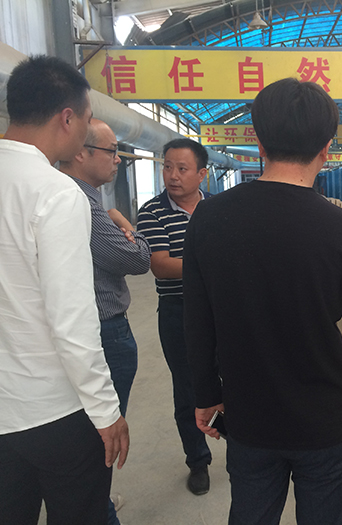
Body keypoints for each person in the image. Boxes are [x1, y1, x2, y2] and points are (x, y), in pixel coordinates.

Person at [183, 77, 342, 525]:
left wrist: (205, 394)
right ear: (326, 147)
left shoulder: (209, 218)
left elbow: (197, 319)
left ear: (259, 142)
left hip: (250, 415)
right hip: (324, 419)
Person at [0, 56, 129, 525]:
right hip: (54, 411)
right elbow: (71, 320)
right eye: (89, 119)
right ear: (67, 118)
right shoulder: (56, 192)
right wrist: (106, 410)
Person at [60, 119, 151, 524]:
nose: (117, 160)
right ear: (81, 152)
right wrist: (127, 225)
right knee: (103, 435)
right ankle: (98, 509)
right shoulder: (84, 205)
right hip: (105, 332)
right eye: (112, 151)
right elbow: (138, 259)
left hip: (90, 330)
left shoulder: (77, 198)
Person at [136, 138, 213, 495]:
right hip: (178, 311)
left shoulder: (217, 208)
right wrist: (214, 265)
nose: (173, 175)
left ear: (202, 174)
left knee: (236, 380)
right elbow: (162, 265)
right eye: (167, 167)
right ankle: (198, 460)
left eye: (182, 169)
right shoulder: (152, 212)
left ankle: (242, 449)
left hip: (220, 309)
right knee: (188, 389)